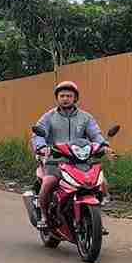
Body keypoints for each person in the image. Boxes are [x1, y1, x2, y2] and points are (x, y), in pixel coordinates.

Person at [30, 80, 107, 226]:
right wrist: (41, 147)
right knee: (48, 182)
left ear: (75, 98)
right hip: (55, 159)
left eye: (69, 96)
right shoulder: (48, 117)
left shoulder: (86, 117)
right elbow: (38, 135)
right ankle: (44, 216)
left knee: (101, 182)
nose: (65, 99)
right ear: (57, 98)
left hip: (80, 160)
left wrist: (103, 146)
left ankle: (94, 214)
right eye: (62, 96)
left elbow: (95, 134)